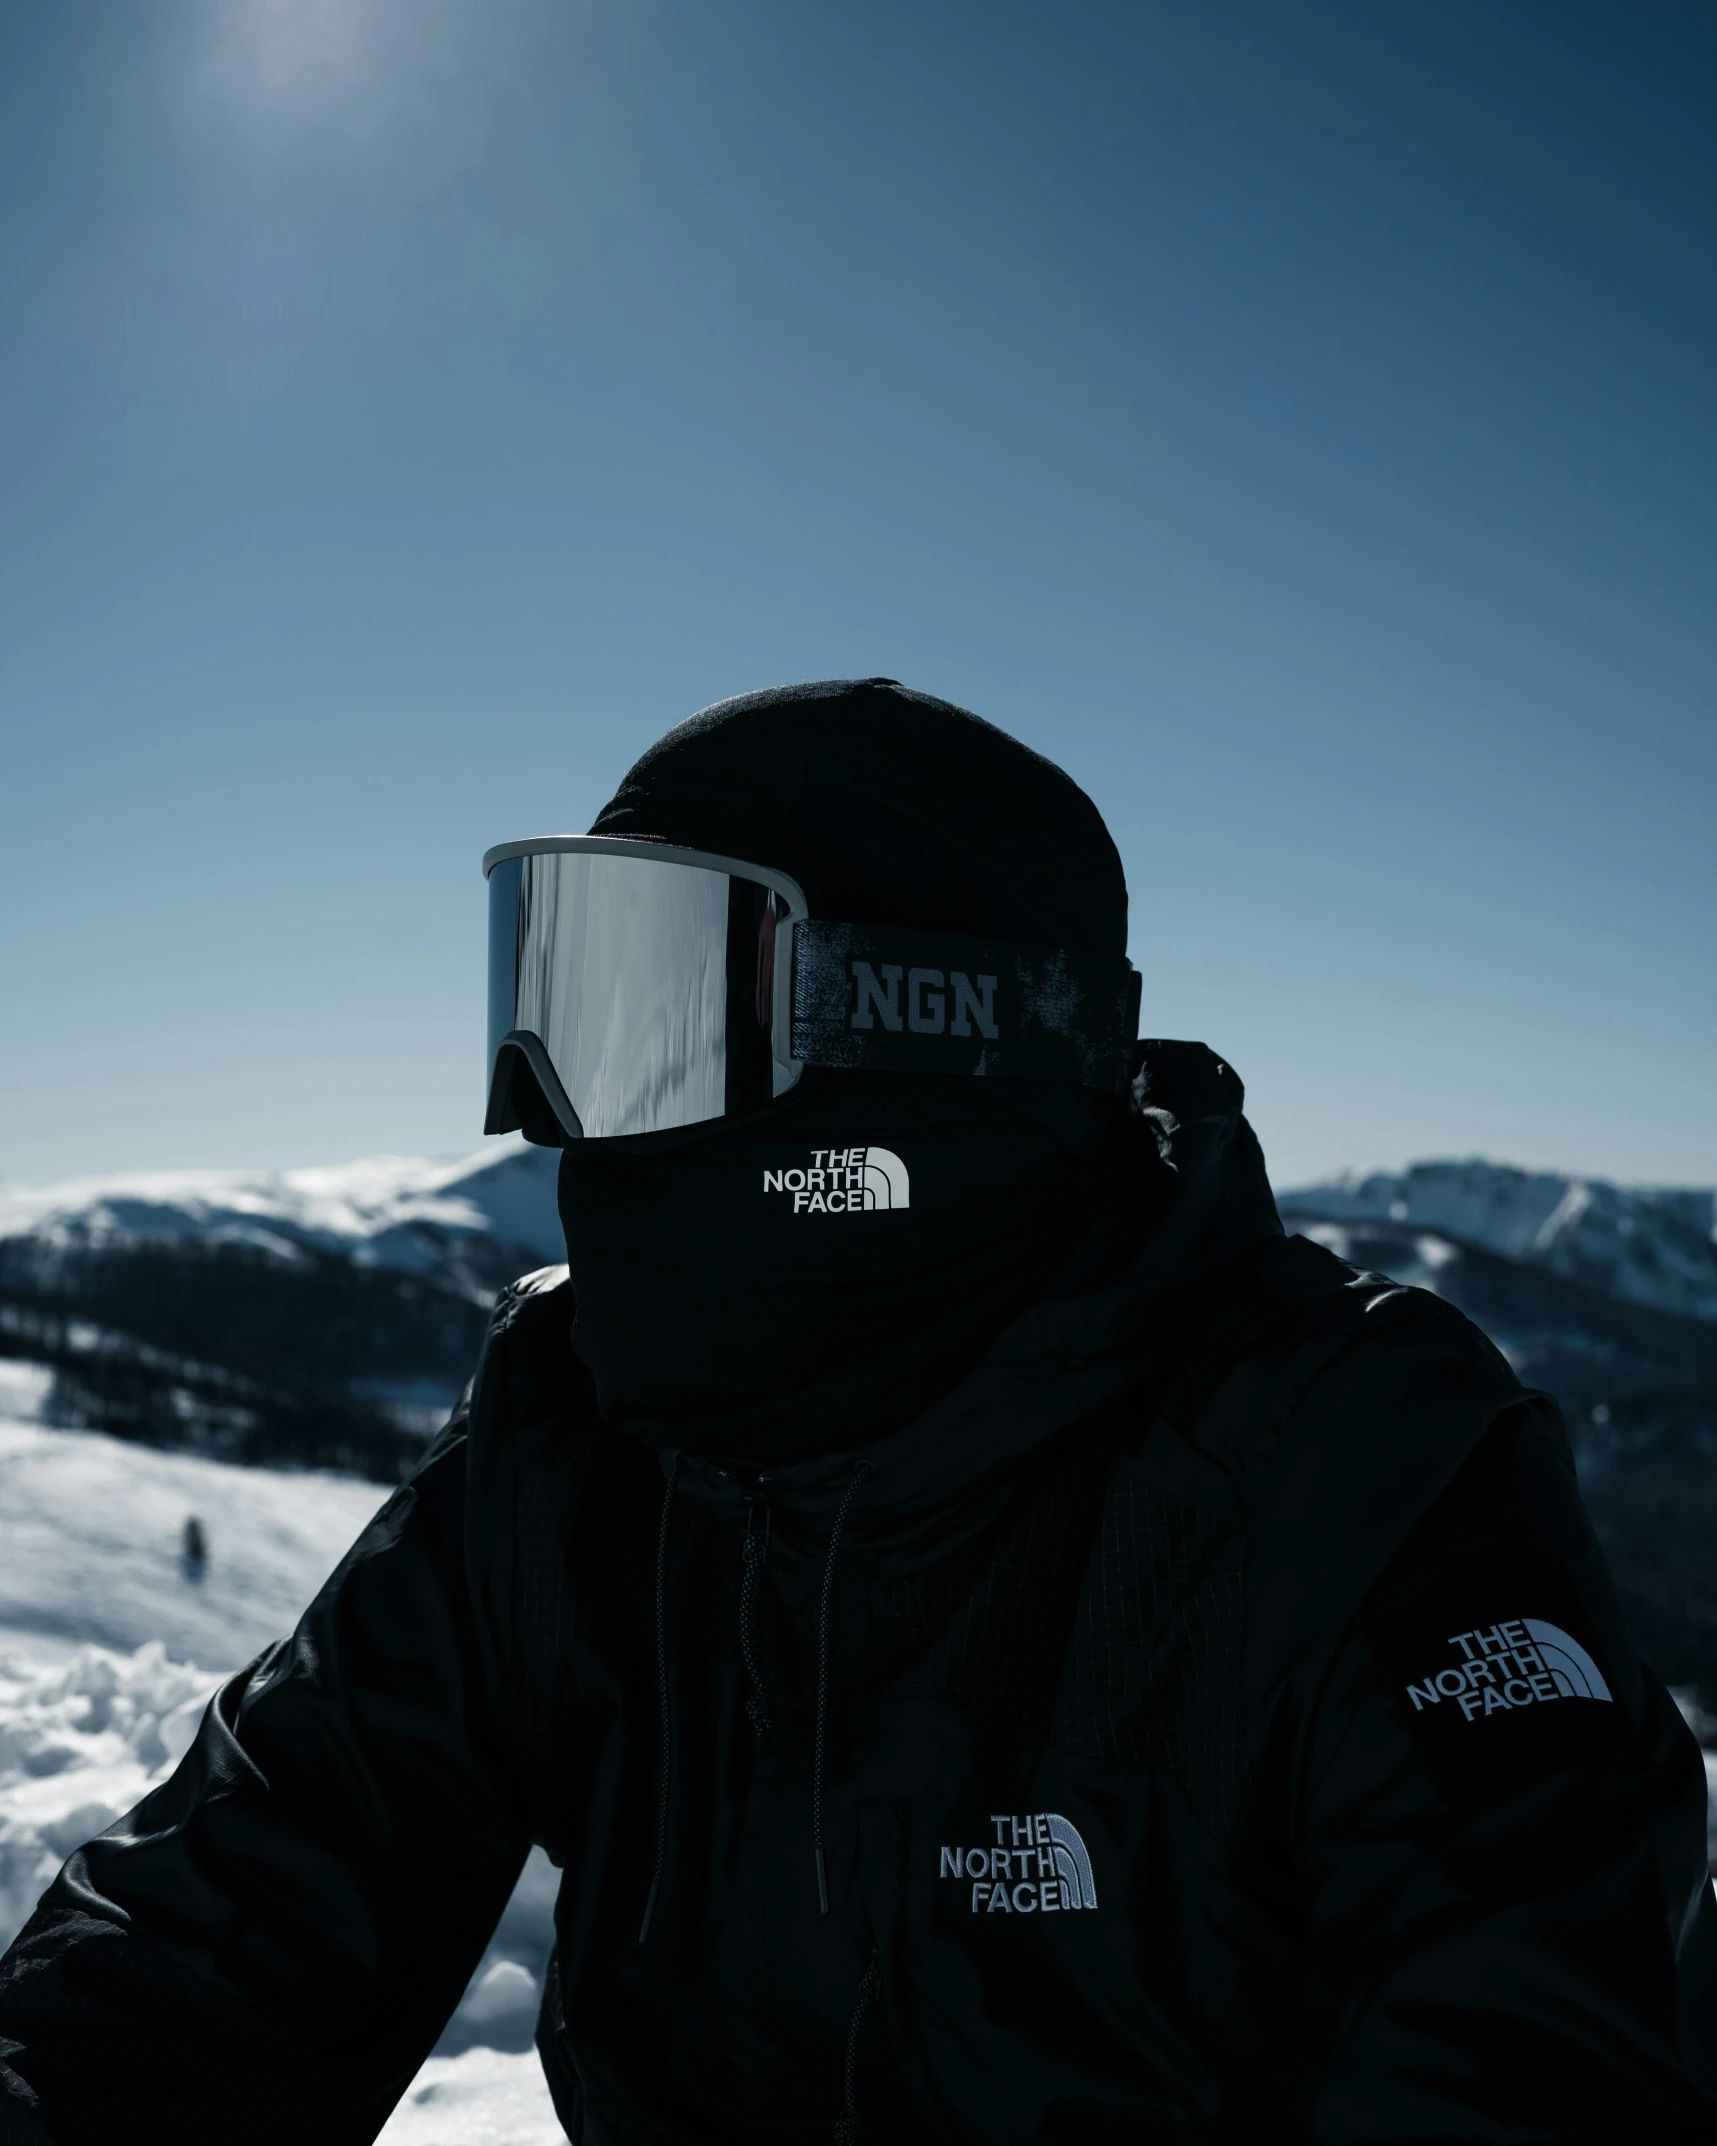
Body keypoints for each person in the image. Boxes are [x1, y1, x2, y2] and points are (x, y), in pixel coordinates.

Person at [2, 677, 1714, 2145]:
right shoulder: (578, 1442)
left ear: (923, 1032)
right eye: (559, 1006)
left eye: (654, 1014)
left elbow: (1536, 2043)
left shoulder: (1354, 1475)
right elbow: (218, 1930)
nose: (558, 1119)